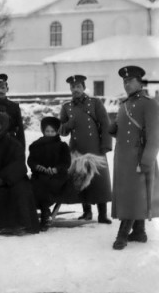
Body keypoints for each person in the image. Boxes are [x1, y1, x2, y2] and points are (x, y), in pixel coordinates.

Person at [110, 65, 159, 250]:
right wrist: (113, 129)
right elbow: (124, 132)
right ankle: (139, 232)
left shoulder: (149, 104)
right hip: (123, 159)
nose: (126, 84)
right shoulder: (124, 104)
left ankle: (122, 235)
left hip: (139, 158)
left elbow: (155, 136)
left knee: (132, 196)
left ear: (140, 82)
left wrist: (147, 160)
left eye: (130, 81)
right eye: (124, 81)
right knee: (131, 195)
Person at [59, 74, 112, 224]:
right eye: (73, 87)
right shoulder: (66, 107)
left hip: (95, 147)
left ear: (83, 88)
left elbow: (105, 124)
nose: (75, 89)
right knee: (80, 178)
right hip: (77, 149)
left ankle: (102, 214)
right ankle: (86, 212)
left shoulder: (95, 103)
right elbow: (62, 131)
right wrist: (69, 123)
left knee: (100, 180)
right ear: (70, 89)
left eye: (78, 87)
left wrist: (106, 145)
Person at [27, 116, 71, 231]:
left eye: (52, 131)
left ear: (56, 132)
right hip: (40, 175)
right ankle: (35, 214)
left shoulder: (62, 146)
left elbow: (66, 163)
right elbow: (31, 161)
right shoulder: (35, 145)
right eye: (47, 131)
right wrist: (37, 167)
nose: (50, 133)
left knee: (45, 185)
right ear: (43, 131)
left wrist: (56, 169)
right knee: (31, 186)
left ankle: (45, 214)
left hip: (58, 177)